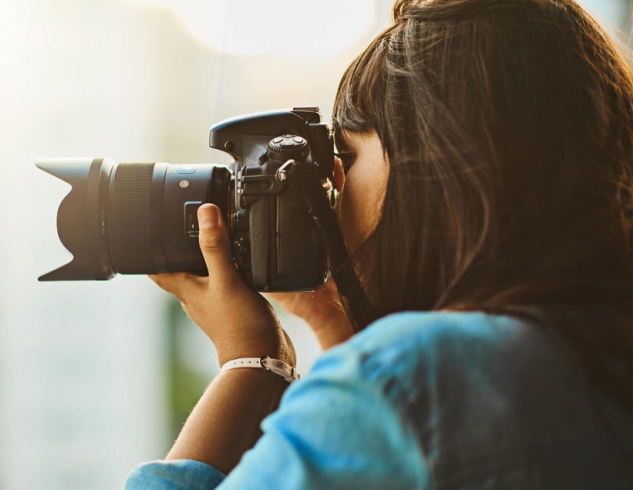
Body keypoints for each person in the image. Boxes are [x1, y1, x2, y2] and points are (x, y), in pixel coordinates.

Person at [125, 0, 633, 487]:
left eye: (346, 155)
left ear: (434, 173)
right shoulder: (592, 355)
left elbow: (402, 414)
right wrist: (335, 321)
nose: (333, 190)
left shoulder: (412, 380)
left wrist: (252, 362)